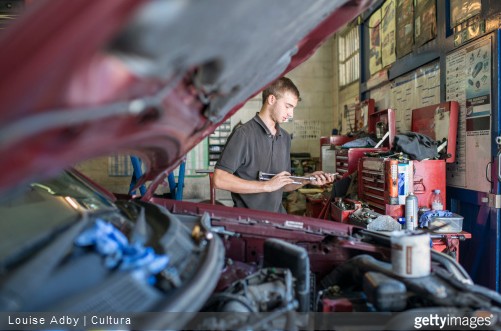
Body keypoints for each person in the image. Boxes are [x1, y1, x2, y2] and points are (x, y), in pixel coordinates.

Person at [213, 77, 335, 213]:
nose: (291, 114)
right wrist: (266, 186)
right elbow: (219, 179)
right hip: (248, 220)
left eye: (293, 108)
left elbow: (283, 184)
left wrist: (307, 179)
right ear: (271, 99)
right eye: (288, 106)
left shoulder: (285, 138)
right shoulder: (243, 134)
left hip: (277, 218)